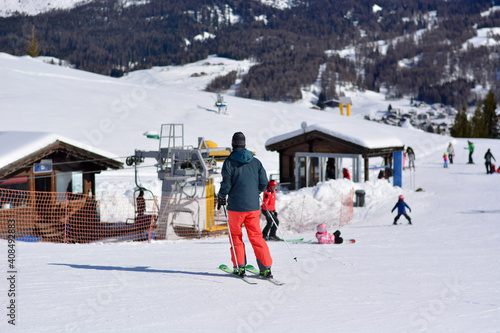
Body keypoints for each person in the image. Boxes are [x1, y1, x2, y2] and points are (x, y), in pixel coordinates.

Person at [217, 132, 273, 278]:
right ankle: (266, 268)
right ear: (244, 144)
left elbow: (226, 184)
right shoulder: (256, 162)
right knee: (256, 236)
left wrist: (222, 196)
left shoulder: (229, 162)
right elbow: (263, 183)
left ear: (232, 145)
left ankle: (239, 267)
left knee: (236, 236)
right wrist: (255, 193)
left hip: (235, 207)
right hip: (253, 206)